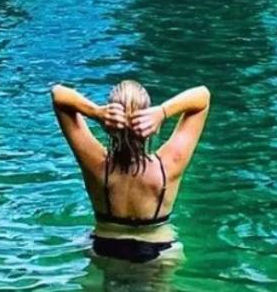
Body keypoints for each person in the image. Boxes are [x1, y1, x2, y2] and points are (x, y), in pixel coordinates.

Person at [50, 80, 210, 263]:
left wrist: (96, 112)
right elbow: (202, 96)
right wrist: (163, 112)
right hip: (159, 251)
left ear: (109, 121)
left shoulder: (96, 165)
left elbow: (58, 94)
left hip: (103, 246)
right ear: (149, 120)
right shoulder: (168, 166)